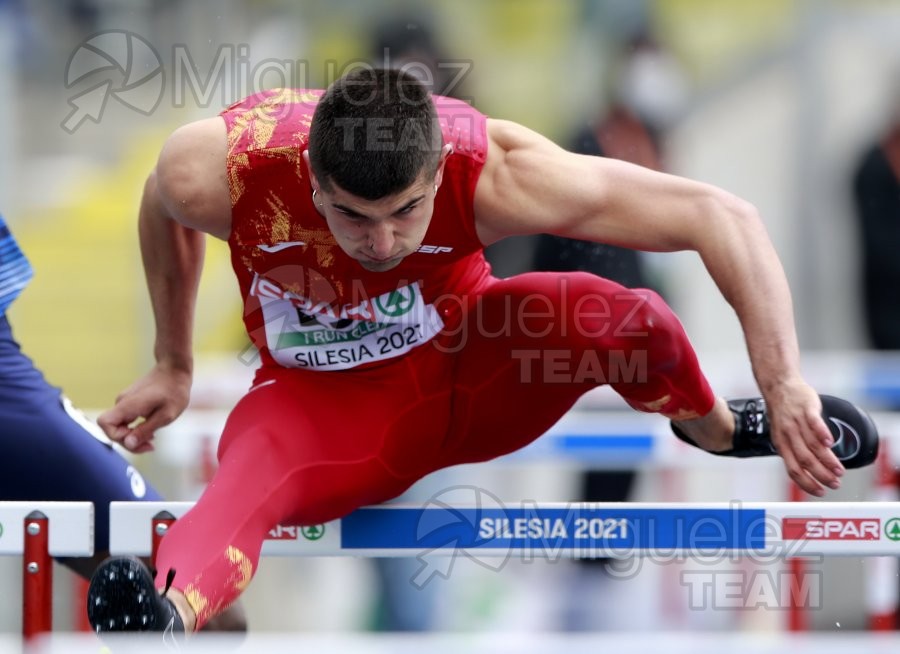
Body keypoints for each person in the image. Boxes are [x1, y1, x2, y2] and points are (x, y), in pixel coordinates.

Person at [86, 68, 879, 640]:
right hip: (321, 413)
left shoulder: (497, 171)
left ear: (439, 171)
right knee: (241, 479)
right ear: (312, 178)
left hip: (472, 369)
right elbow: (162, 207)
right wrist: (174, 361)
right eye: (350, 216)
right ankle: (165, 613)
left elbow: (721, 216)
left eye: (406, 211)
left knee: (619, 310)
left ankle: (712, 426)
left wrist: (782, 381)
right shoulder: (220, 170)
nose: (382, 242)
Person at [0, 211, 246, 631]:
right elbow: (166, 187)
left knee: (215, 612)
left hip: (12, 405)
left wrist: (174, 365)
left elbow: (165, 189)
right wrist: (173, 365)